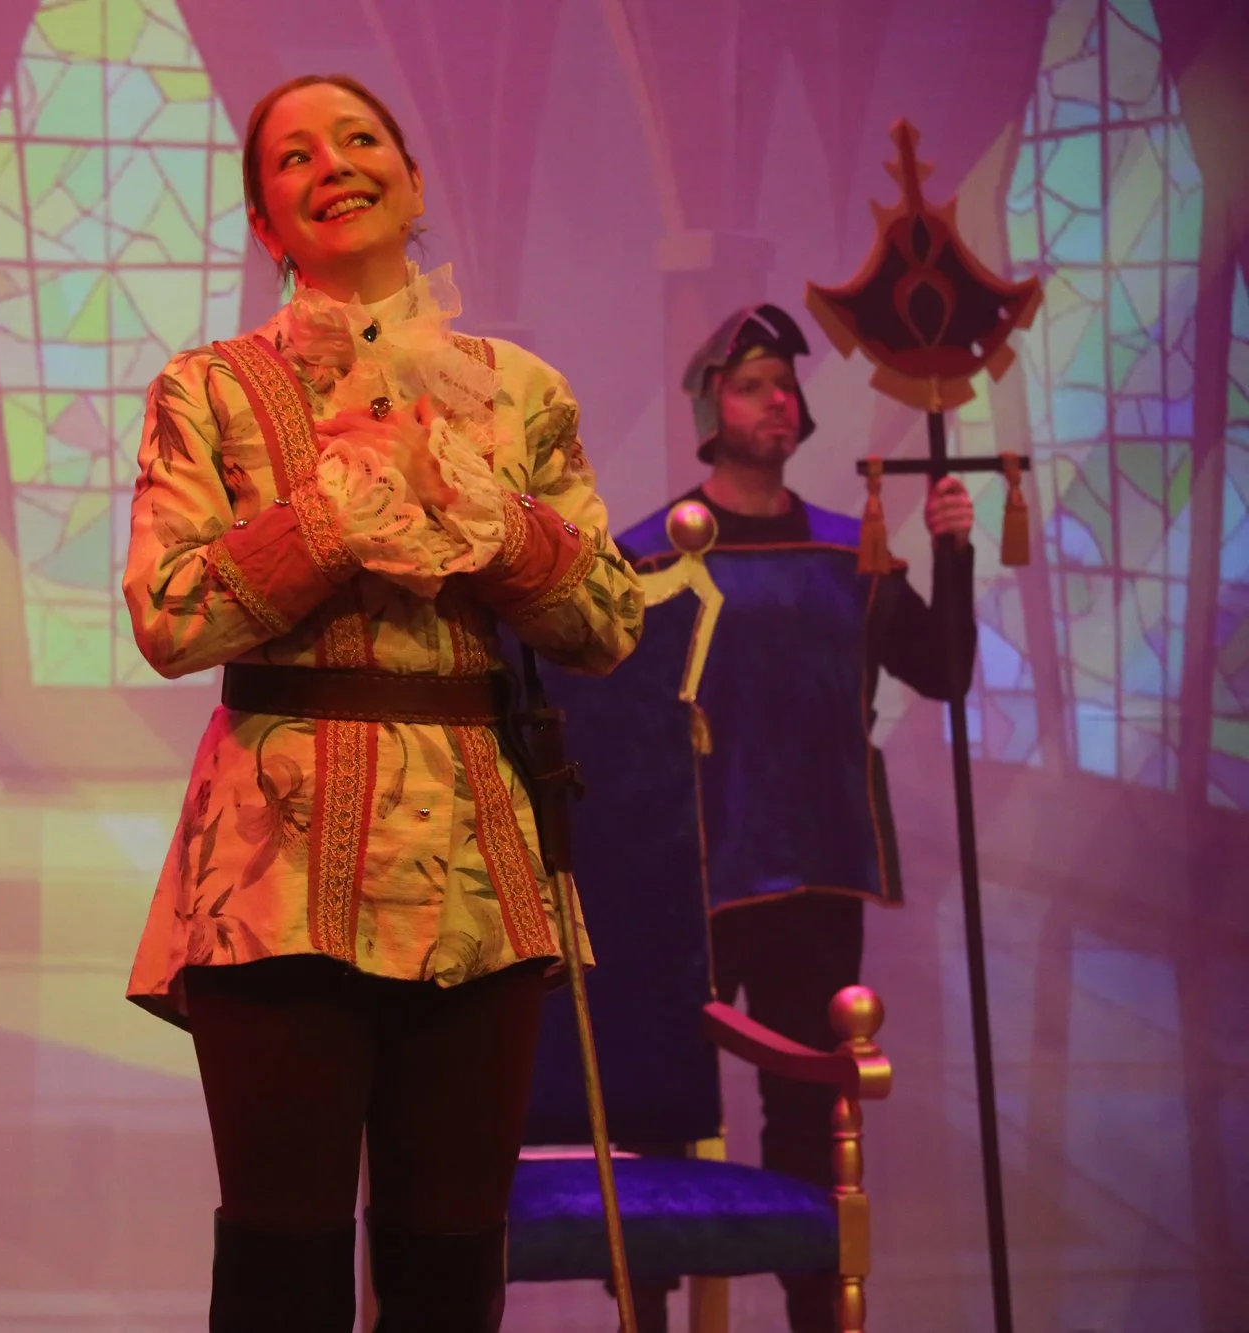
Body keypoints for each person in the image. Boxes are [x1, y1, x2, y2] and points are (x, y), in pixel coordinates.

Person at [121, 73, 645, 1332]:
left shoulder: (516, 388)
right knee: (281, 1257)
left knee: (447, 1259)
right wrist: (324, 519)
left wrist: (500, 529)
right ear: (265, 221)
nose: (333, 164)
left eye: (359, 140)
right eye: (294, 156)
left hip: (478, 859)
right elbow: (168, 617)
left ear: (411, 181)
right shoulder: (209, 389)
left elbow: (611, 623)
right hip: (275, 866)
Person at [555, 305, 974, 1333]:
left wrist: (953, 553)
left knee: (802, 1118)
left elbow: (941, 670)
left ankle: (811, 1319)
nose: (775, 398)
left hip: (814, 870)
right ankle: (645, 1322)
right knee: (660, 1116)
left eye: (784, 382)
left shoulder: (847, 553)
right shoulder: (648, 555)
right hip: (682, 875)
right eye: (750, 383)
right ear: (711, 408)